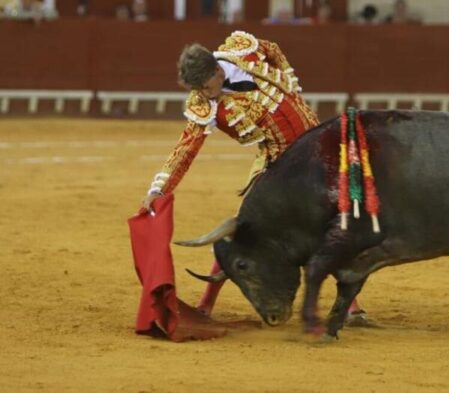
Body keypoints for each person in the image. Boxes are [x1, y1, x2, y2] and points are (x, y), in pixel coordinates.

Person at [140, 31, 366, 321]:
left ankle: (352, 306)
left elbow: (272, 49)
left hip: (318, 146)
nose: (204, 94)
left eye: (206, 87)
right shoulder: (205, 104)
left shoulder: (240, 51)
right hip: (280, 164)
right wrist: (159, 189)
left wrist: (291, 80)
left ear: (217, 71)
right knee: (246, 230)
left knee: (332, 221)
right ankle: (206, 304)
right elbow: (186, 149)